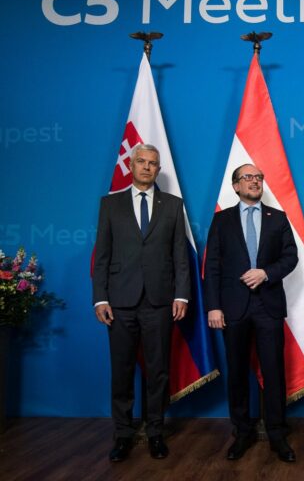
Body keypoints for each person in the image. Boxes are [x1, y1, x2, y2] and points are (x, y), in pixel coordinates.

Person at [92, 143, 189, 462]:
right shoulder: (110, 204)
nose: (147, 167)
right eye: (142, 161)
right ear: (131, 165)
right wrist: (100, 298)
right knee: (121, 370)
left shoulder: (173, 205)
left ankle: (155, 432)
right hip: (119, 301)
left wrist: (181, 294)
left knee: (158, 370)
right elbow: (102, 255)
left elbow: (180, 255)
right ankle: (122, 434)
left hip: (160, 301)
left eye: (153, 163)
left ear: (158, 169)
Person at [203, 163, 298, 463]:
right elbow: (212, 266)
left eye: (258, 177)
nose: (255, 181)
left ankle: (277, 434)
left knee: (273, 372)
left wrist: (266, 273)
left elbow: (291, 257)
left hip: (268, 306)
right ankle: (242, 432)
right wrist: (214, 306)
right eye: (248, 177)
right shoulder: (221, 220)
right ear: (236, 186)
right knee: (237, 372)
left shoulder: (278, 218)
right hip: (233, 307)